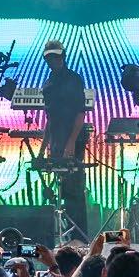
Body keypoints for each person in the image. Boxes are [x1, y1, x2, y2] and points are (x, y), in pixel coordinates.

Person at [40, 39, 90, 241]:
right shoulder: (48, 83)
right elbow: (50, 119)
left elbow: (80, 113)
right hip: (57, 139)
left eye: (57, 57)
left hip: (74, 139)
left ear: (63, 57)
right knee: (61, 188)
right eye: (50, 58)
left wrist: (71, 142)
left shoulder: (74, 79)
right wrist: (43, 147)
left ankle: (79, 236)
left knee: (74, 189)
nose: (54, 61)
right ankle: (64, 235)